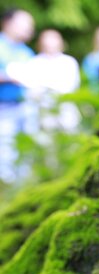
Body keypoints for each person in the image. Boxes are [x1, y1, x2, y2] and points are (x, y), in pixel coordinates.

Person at [0, 9, 34, 184]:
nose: (29, 29)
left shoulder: (26, 52)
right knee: (5, 151)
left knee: (26, 149)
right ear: (8, 22)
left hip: (26, 106)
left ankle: (22, 188)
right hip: (3, 107)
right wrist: (7, 77)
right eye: (25, 24)